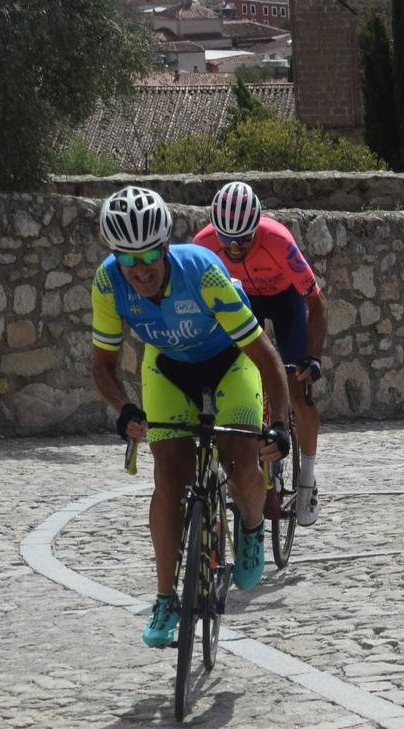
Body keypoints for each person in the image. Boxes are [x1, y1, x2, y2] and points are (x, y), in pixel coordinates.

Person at [91, 186, 290, 649]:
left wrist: (277, 424)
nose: (139, 271)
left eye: (147, 257)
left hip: (229, 360)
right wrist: (125, 409)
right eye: (127, 259)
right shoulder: (108, 283)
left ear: (163, 247)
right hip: (167, 368)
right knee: (168, 478)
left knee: (242, 459)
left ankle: (252, 525)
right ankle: (165, 598)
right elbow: (102, 365)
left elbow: (266, 357)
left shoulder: (202, 272)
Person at [193, 181, 328, 527]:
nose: (235, 247)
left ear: (256, 227)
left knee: (297, 389)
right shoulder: (204, 245)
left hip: (284, 301)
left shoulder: (278, 241)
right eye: (227, 239)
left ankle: (308, 479)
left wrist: (312, 356)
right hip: (240, 301)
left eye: (244, 239)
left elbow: (315, 299)